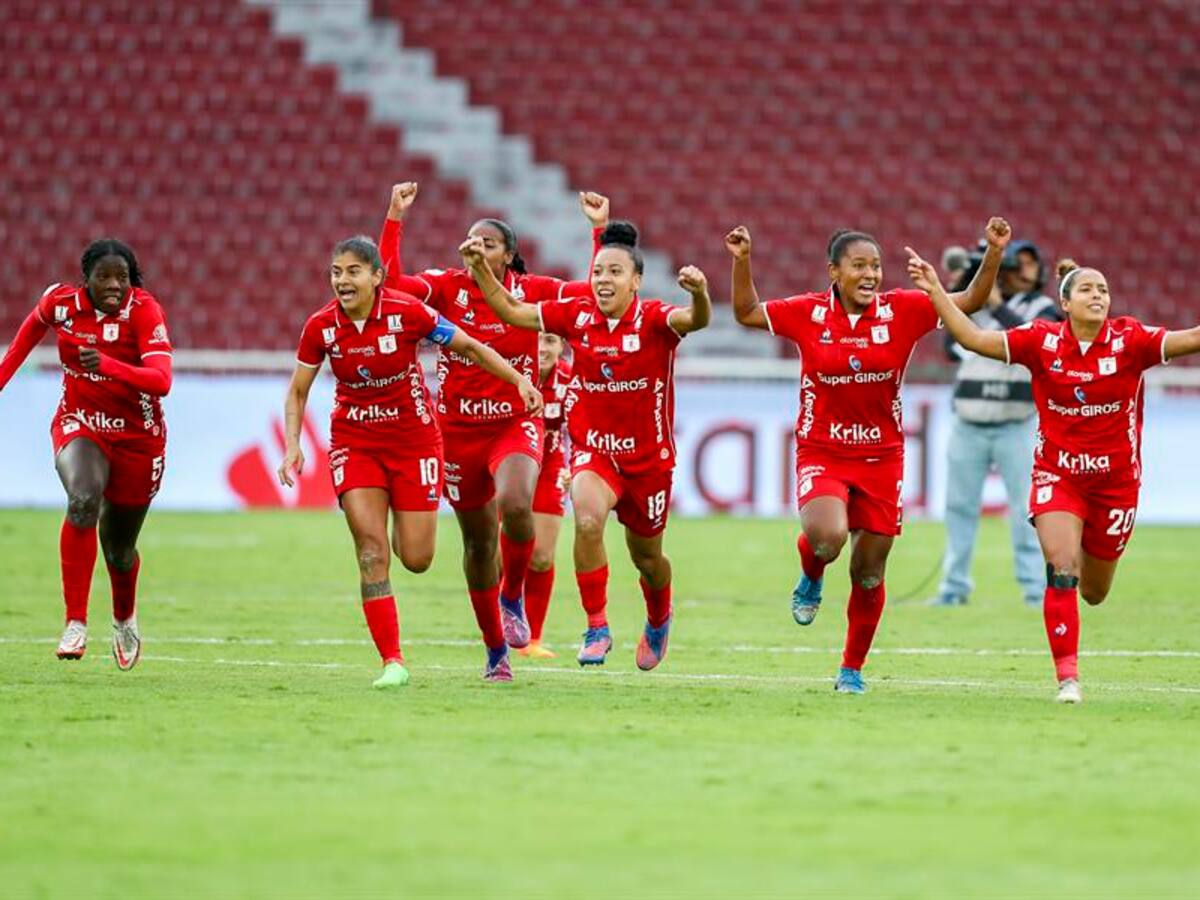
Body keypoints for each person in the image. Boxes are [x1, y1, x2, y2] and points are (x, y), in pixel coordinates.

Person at [725, 218, 1008, 693]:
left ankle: (851, 670)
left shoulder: (904, 310)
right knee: (827, 538)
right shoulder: (808, 312)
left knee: (869, 573)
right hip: (823, 449)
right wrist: (742, 260)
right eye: (859, 265)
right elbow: (747, 312)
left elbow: (971, 302)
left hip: (882, 457)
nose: (871, 274)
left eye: (876, 265)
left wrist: (994, 253)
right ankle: (812, 573)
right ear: (834, 272)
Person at [907, 246, 1200, 703]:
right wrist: (936, 292)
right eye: (1087, 289)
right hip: (1057, 477)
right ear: (1065, 302)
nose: (1098, 295)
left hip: (1116, 486)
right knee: (1061, 567)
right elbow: (973, 338)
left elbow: (1193, 338)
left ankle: (1084, 555)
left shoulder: (1131, 339)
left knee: (1095, 592)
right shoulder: (1040, 341)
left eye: (1103, 289)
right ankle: (1068, 679)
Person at [277, 236, 541, 686]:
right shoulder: (320, 326)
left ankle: (439, 561)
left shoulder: (409, 312)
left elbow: (469, 346)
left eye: (353, 271)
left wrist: (518, 379)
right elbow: (298, 391)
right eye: (336, 272)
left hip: (414, 442)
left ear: (377, 276)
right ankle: (392, 661)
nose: (343, 280)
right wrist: (292, 445)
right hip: (355, 443)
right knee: (371, 551)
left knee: (416, 557)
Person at [461, 216, 711, 670]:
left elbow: (696, 319)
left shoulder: (655, 319)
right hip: (595, 451)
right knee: (589, 520)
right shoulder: (576, 315)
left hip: (649, 462)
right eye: (597, 271)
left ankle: (659, 616)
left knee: (648, 558)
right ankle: (597, 626)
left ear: (636, 281)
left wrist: (699, 293)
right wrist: (480, 268)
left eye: (615, 272)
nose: (603, 280)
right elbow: (512, 311)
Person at [377, 183, 599, 667]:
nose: (477, 247)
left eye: (490, 242)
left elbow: (593, 296)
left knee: (517, 503)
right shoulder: (447, 286)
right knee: (479, 545)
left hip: (514, 423)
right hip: (457, 433)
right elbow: (389, 286)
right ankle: (496, 649)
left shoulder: (532, 291)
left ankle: (512, 596)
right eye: (473, 240)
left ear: (509, 256)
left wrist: (599, 233)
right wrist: (394, 217)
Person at [0, 239, 173, 669]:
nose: (114, 285)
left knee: (119, 551)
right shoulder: (61, 304)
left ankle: (123, 616)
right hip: (80, 421)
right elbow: (28, 333)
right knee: (82, 499)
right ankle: (75, 622)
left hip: (138, 437)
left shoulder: (144, 311)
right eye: (104, 277)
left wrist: (109, 365)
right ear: (87, 279)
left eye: (122, 277)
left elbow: (162, 381)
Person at [934, 238, 1061, 608]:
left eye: (1030, 263)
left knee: (1026, 510)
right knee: (959, 507)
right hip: (969, 421)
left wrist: (996, 305)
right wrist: (966, 289)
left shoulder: (1042, 308)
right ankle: (953, 586)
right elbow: (949, 346)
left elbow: (1037, 341)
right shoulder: (976, 306)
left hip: (1016, 422)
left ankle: (1035, 589)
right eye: (1018, 263)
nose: (1025, 270)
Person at [518, 332, 573, 659]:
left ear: (561, 346)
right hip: (510, 464)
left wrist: (576, 466)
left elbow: (587, 421)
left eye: (550, 341)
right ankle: (499, 625)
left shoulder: (571, 379)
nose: (541, 348)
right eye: (535, 339)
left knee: (541, 556)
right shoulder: (508, 370)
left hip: (549, 466)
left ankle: (532, 640)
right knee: (499, 555)